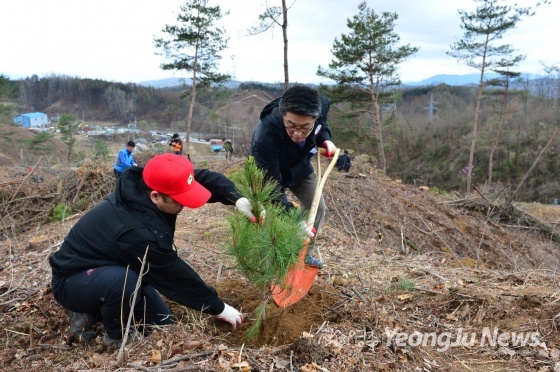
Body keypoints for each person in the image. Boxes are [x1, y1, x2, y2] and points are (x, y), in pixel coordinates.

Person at [49, 153, 262, 348]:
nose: (184, 205)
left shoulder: (156, 181)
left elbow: (203, 179)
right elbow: (173, 276)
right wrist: (219, 307)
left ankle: (101, 308)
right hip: (73, 280)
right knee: (122, 283)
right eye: (179, 200)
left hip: (114, 266)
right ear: (155, 197)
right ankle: (115, 336)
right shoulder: (135, 232)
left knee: (163, 323)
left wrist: (237, 198)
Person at [249, 84, 337, 269]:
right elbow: (272, 188)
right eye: (291, 126)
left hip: (298, 167)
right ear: (283, 116)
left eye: (305, 127)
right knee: (271, 216)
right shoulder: (265, 135)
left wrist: (326, 139)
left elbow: (322, 126)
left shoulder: (321, 105)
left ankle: (304, 254)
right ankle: (273, 264)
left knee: (318, 207)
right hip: (269, 170)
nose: (298, 133)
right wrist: (295, 222)